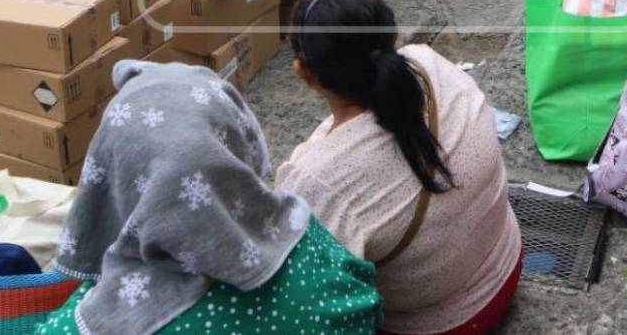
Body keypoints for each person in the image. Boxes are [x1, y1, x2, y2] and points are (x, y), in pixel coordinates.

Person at [36, 60, 382, 335]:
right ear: (234, 147)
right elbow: (366, 301)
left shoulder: (95, 321)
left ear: (111, 176)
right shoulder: (309, 245)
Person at [277, 0, 523, 335]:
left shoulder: (318, 177)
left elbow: (310, 295)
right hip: (506, 266)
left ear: (304, 73)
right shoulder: (430, 63)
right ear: (393, 33)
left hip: (446, 323)